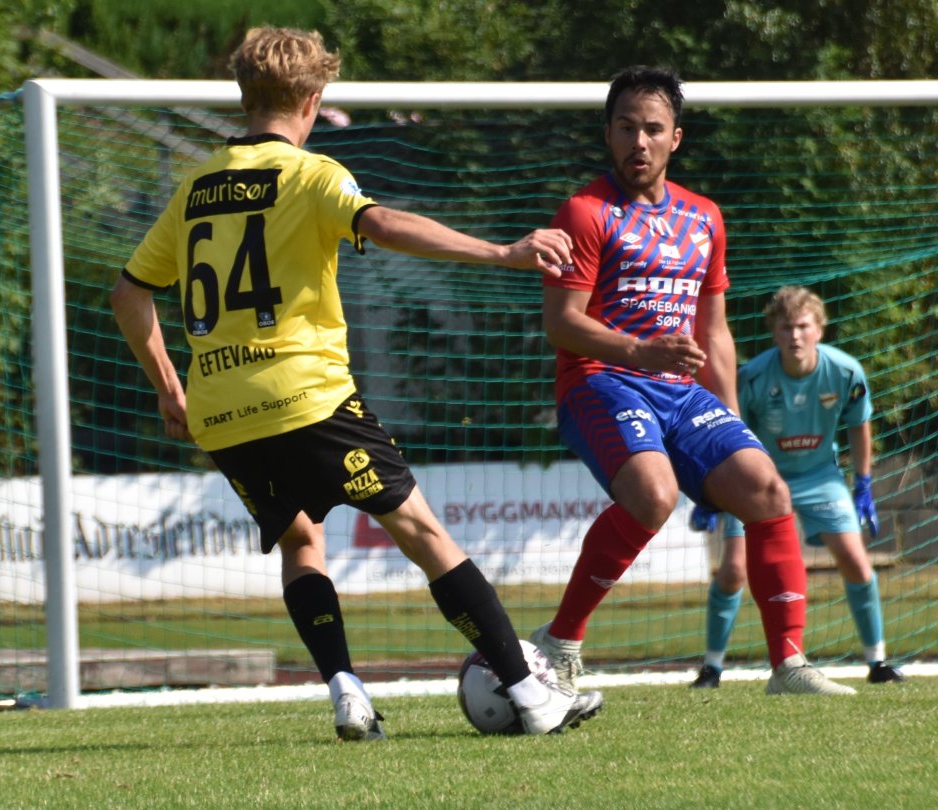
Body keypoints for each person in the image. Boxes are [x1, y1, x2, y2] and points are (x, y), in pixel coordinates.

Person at [110, 26, 602, 740]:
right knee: (422, 530)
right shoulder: (311, 174)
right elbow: (384, 222)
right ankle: (530, 692)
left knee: (301, 543)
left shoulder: (194, 187)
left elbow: (128, 293)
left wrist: (168, 387)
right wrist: (502, 251)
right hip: (305, 395)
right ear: (311, 101)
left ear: (245, 97)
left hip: (222, 410)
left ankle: (346, 691)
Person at [530, 65, 855, 696]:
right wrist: (640, 351)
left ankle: (788, 665)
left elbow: (715, 333)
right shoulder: (584, 211)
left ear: (675, 138)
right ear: (609, 133)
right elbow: (561, 324)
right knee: (653, 496)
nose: (639, 142)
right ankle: (561, 642)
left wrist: (733, 423)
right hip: (601, 381)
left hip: (681, 394)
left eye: (653, 128)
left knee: (766, 488)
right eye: (626, 127)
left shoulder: (704, 217)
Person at [689, 286, 905, 688]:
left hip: (819, 477)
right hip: (761, 483)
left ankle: (878, 663)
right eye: (787, 327)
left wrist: (863, 485)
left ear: (820, 330)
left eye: (804, 326)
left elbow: (860, 427)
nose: (795, 336)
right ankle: (712, 668)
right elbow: (729, 431)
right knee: (733, 569)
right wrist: (713, 490)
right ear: (774, 332)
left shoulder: (845, 372)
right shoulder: (753, 377)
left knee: (856, 561)